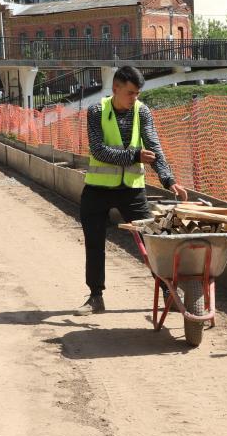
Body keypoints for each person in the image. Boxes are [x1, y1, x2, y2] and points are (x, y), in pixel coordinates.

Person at [76, 65, 188, 315]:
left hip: (132, 191)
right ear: (115, 88)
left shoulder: (142, 112)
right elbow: (98, 150)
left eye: (137, 93)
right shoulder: (97, 111)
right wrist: (134, 155)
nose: (134, 98)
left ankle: (168, 291)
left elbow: (153, 146)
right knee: (94, 243)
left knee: (153, 242)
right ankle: (96, 297)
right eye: (130, 93)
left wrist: (169, 180)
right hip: (98, 189)